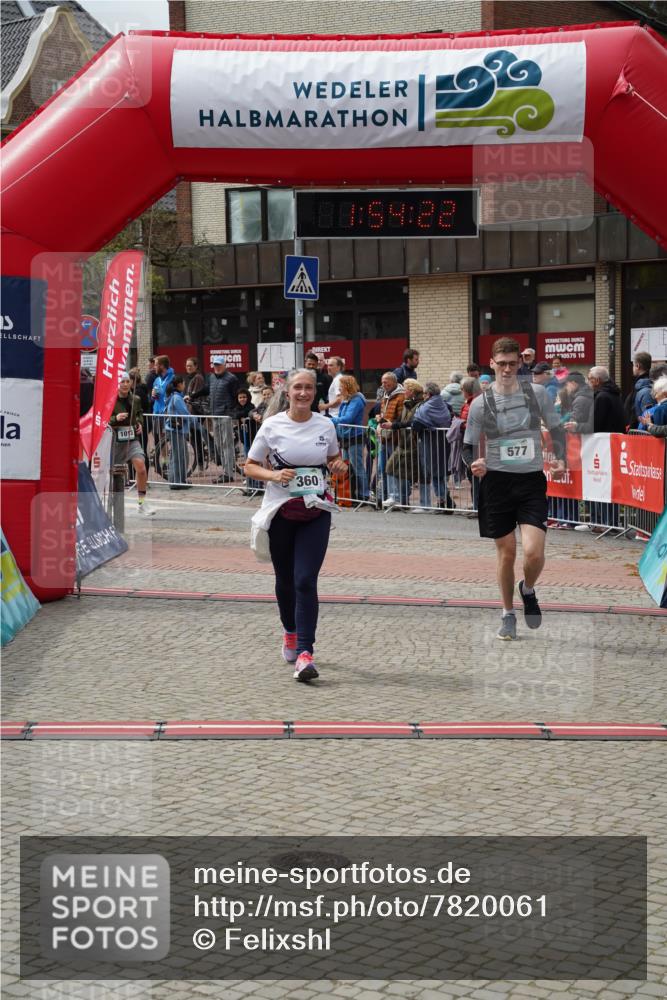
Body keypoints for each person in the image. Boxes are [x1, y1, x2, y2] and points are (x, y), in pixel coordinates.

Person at [244, 369, 347, 683]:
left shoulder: (325, 425)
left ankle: (305, 653)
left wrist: (339, 467)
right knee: (285, 580)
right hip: (281, 512)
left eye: (309, 388)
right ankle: (290, 631)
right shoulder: (272, 426)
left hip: (315, 511)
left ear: (316, 392)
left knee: (305, 580)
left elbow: (334, 461)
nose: (303, 393)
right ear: (287, 392)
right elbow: (249, 465)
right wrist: (274, 476)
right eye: (298, 388)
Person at [463, 337, 566, 641]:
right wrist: (474, 464)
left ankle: (528, 589)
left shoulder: (535, 394)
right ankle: (507, 613)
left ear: (520, 363)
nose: (507, 369)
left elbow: (556, 428)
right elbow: (467, 448)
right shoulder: (482, 403)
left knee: (533, 553)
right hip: (496, 483)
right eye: (501, 364)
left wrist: (559, 457)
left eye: (512, 363)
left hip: (530, 480)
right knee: (507, 552)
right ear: (492, 364)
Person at [109, 373, 155, 515]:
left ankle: (141, 503)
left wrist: (139, 423)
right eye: (122, 381)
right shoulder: (110, 400)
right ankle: (109, 505)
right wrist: (115, 418)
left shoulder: (135, 399)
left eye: (127, 381)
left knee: (141, 468)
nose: (125, 384)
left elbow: (139, 413)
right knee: (110, 475)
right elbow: (102, 418)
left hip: (131, 439)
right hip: (114, 441)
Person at [381, 378, 424, 509]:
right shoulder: (406, 404)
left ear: (411, 391)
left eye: (406, 389)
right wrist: (388, 423)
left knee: (410, 473)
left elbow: (412, 422)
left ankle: (405, 500)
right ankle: (394, 497)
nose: (404, 391)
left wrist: (393, 425)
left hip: (414, 443)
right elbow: (400, 420)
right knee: (390, 467)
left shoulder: (420, 405)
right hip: (403, 442)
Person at [412, 381, 454, 512]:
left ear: (429, 394)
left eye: (424, 393)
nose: (423, 396)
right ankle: (446, 500)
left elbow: (417, 425)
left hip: (431, 443)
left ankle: (442, 502)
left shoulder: (426, 407)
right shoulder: (444, 404)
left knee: (435, 474)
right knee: (441, 474)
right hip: (444, 442)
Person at [330, 375, 369, 501]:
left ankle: (364, 494)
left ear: (347, 387)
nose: (339, 389)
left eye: (341, 386)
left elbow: (348, 418)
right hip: (346, 437)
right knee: (346, 468)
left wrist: (331, 421)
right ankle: (349, 493)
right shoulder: (346, 399)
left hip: (355, 437)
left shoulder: (356, 400)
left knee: (357, 466)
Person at [375, 372, 406, 503]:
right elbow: (384, 413)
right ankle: (387, 495)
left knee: (393, 467)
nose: (383, 384)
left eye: (386, 382)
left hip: (395, 437)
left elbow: (401, 418)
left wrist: (389, 422)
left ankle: (397, 497)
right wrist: (380, 418)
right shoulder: (385, 396)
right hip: (384, 437)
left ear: (394, 382)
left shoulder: (401, 397)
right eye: (382, 382)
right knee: (383, 468)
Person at [209, 355, 239, 482]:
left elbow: (236, 396)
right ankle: (228, 469)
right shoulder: (211, 377)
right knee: (219, 444)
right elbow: (208, 390)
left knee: (227, 444)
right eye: (215, 365)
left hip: (225, 415)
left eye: (219, 365)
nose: (217, 367)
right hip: (215, 415)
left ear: (224, 365)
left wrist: (232, 412)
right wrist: (193, 395)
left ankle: (228, 473)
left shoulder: (231, 379)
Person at [165, 377, 192, 490]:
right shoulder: (177, 397)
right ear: (179, 384)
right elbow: (184, 413)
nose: (184, 385)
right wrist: (193, 420)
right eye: (183, 383)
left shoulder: (174, 396)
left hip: (175, 429)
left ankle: (179, 480)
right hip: (177, 430)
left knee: (179, 455)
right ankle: (177, 481)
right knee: (179, 456)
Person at [184, 357, 208, 470]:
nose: (188, 368)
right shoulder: (191, 378)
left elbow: (194, 394)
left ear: (196, 366)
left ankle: (201, 463)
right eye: (187, 366)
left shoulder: (197, 377)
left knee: (196, 437)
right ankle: (200, 461)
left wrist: (188, 398)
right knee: (195, 437)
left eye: (190, 366)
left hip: (197, 411)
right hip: (192, 411)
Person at [624, 351, 653, 429]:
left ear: (637, 366)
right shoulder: (639, 385)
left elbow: (647, 417)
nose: (632, 368)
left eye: (633, 365)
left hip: (640, 434)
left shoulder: (645, 389)